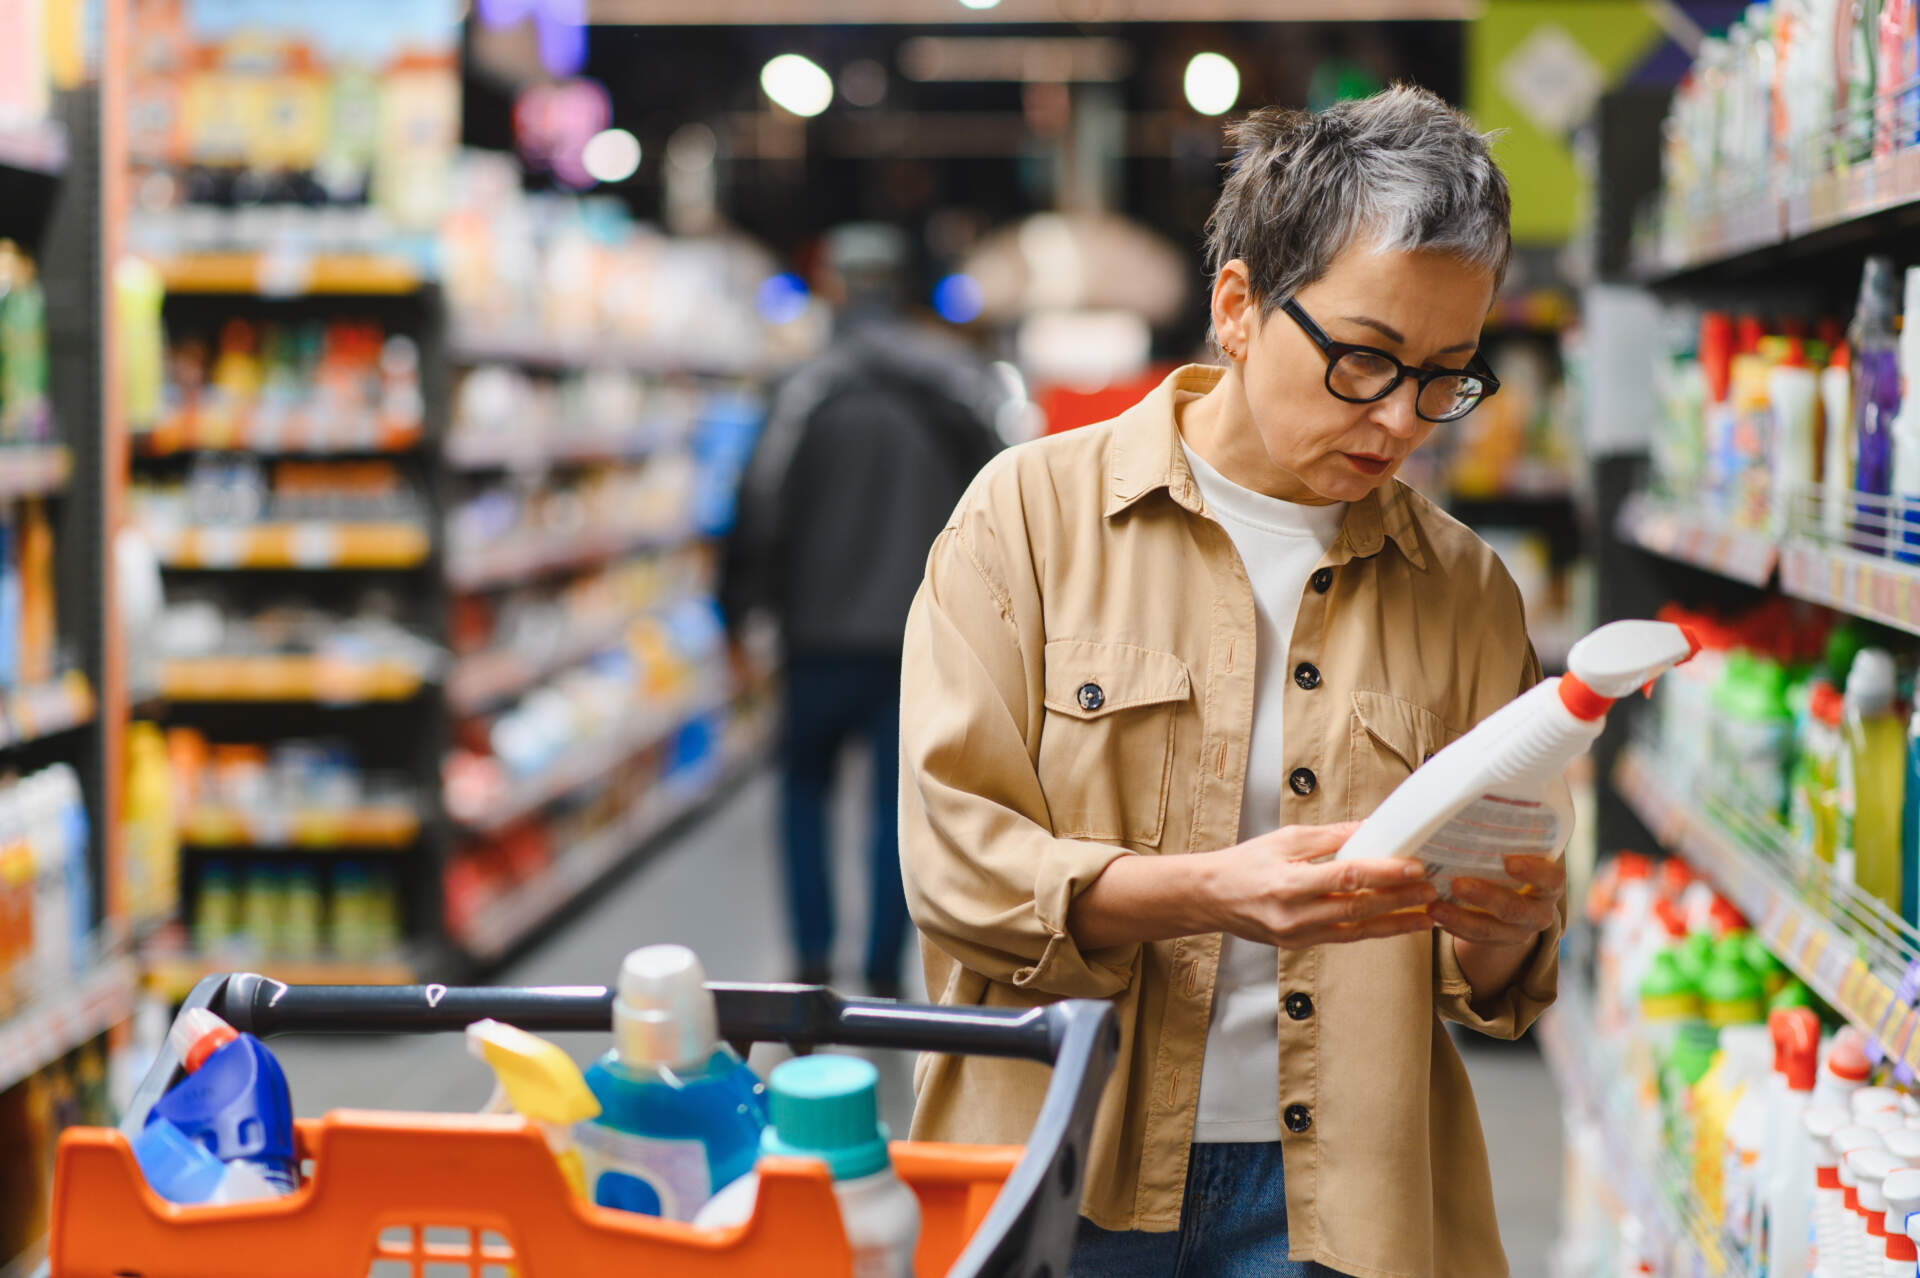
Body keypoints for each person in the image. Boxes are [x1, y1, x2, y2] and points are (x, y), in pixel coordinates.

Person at [898, 86, 1564, 1277]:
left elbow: (1488, 980)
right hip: (1066, 1158)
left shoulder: (1464, 589)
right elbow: (957, 869)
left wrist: (1506, 936)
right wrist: (1209, 890)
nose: (1404, 418)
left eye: (1448, 375)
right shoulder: (1031, 519)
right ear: (1240, 306)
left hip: (1337, 1199)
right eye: (1366, 360)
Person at [722, 223, 1009, 998]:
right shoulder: (955, 381)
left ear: (835, 283)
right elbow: (1005, 503)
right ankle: (883, 968)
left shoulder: (802, 387)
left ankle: (813, 960)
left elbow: (756, 507)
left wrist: (738, 614)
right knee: (902, 803)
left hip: (815, 634)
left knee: (802, 792)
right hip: (922, 636)